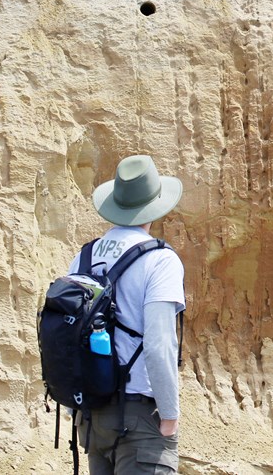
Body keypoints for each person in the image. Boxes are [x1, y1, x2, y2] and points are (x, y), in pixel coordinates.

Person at [68, 154, 185, 474]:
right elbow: (160, 344)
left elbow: (68, 336)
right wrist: (170, 414)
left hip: (93, 418)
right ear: (155, 205)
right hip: (139, 418)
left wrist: (74, 407)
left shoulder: (84, 257)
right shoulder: (161, 259)